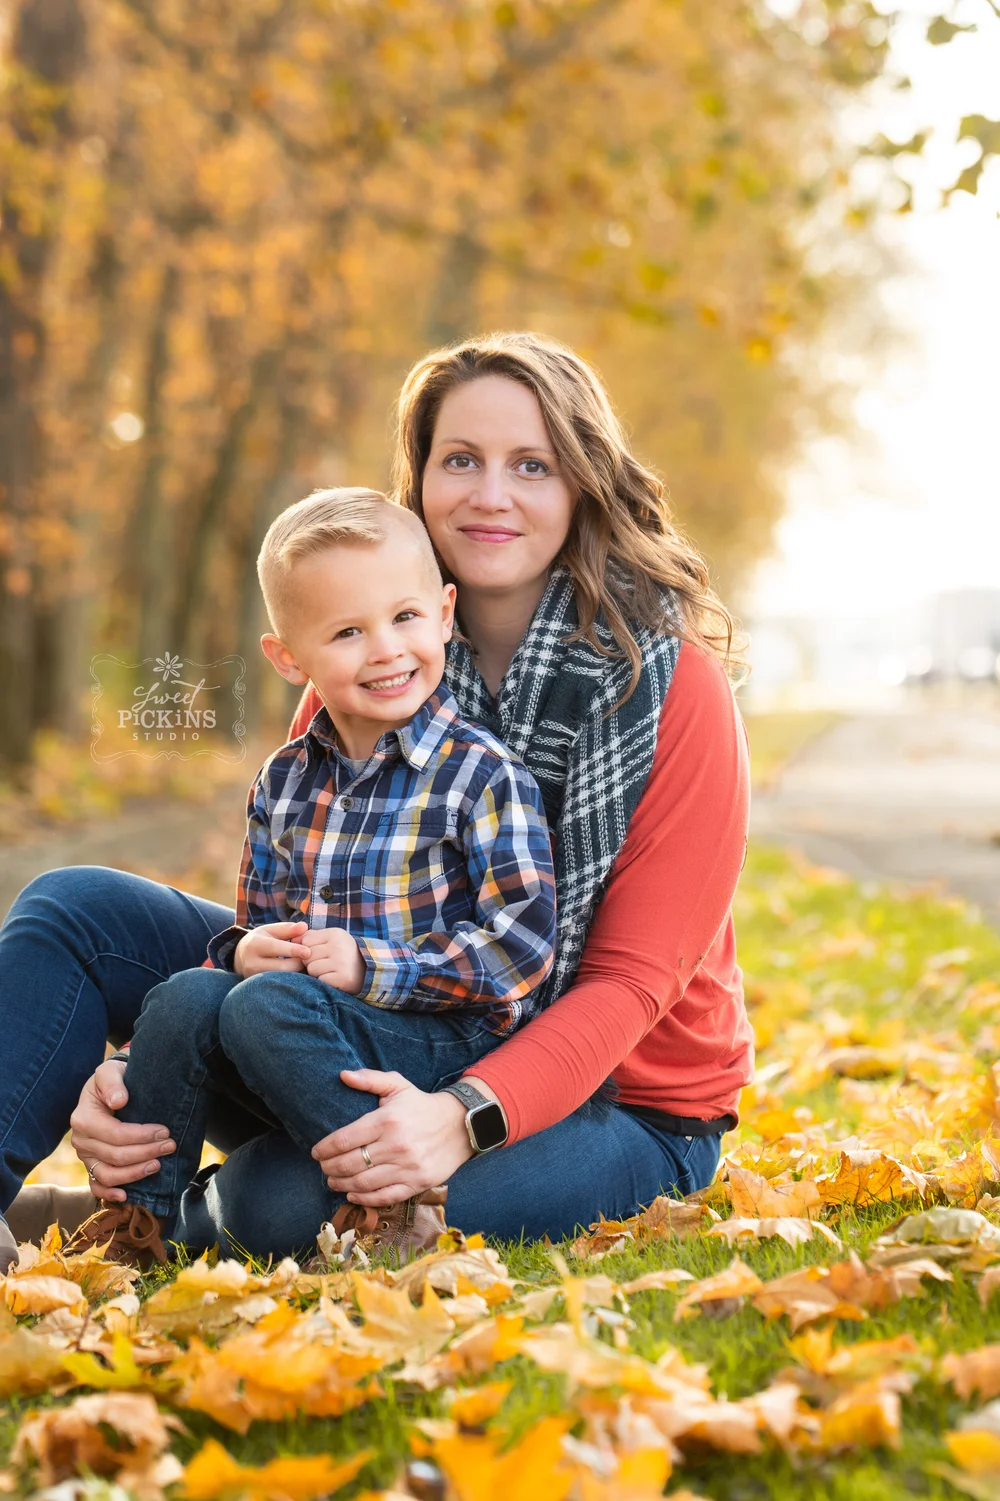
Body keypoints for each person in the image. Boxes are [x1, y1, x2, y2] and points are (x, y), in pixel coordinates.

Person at [0, 331, 753, 1270]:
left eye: (533, 465)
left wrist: (461, 1117)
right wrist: (129, 1078)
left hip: (618, 1101)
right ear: (421, 478)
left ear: (582, 484)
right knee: (75, 910)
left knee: (284, 1205)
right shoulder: (365, 659)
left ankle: (145, 1217)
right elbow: (293, 919)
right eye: (461, 460)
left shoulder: (669, 689)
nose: (491, 494)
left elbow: (629, 986)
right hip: (366, 1023)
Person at [64, 487, 556, 1267]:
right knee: (190, 992)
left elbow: (523, 950)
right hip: (297, 1022)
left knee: (266, 1005)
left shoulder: (480, 775)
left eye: (405, 617)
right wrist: (243, 951)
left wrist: (373, 967)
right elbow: (254, 924)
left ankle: (392, 1204)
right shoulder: (286, 779)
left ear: (446, 611)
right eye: (348, 632)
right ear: (289, 657)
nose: (388, 650)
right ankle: (142, 1222)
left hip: (435, 1038)